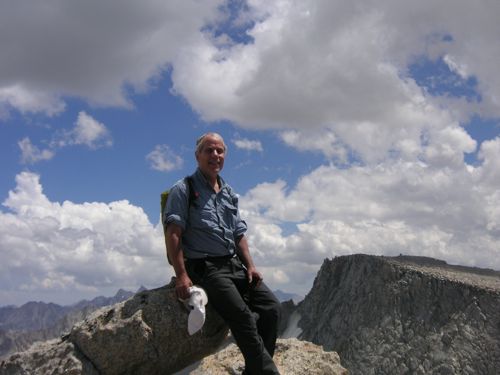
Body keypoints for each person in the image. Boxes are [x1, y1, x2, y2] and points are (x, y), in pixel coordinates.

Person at [164, 132, 281, 374]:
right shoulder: (183, 189)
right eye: (209, 150)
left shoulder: (228, 192)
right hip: (205, 267)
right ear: (197, 156)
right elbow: (173, 232)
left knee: (271, 309)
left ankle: (256, 369)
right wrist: (182, 276)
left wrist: (250, 266)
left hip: (233, 264)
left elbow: (239, 234)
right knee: (244, 318)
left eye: (220, 151)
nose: (215, 155)